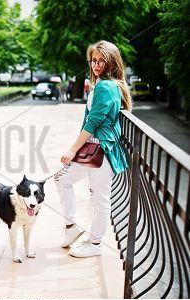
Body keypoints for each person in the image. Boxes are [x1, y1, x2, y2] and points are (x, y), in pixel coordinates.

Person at [55, 40, 131, 258]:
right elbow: (90, 121)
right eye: (93, 60)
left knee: (100, 198)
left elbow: (93, 122)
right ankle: (72, 228)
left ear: (111, 61)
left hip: (102, 151)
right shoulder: (101, 84)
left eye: (101, 60)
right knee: (62, 179)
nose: (96, 64)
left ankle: (95, 244)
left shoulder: (106, 86)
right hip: (92, 149)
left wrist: (72, 150)